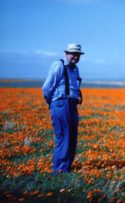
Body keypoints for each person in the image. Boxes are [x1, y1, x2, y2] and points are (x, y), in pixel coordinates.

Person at [42, 43, 84, 173]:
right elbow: (46, 87)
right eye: (73, 54)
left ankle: (67, 166)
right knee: (63, 135)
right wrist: (53, 102)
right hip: (60, 103)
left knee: (72, 136)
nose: (75, 57)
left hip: (72, 104)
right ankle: (59, 169)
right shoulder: (59, 65)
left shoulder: (75, 69)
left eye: (77, 54)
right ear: (66, 54)